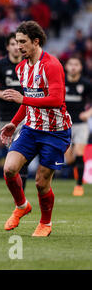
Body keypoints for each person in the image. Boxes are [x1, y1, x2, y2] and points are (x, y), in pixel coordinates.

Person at [0, 21, 72, 237]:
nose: (18, 46)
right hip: (31, 128)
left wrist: (24, 98)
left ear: (36, 41)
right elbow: (28, 101)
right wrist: (14, 123)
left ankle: (45, 223)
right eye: (16, 42)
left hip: (55, 131)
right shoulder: (21, 67)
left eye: (22, 42)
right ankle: (22, 206)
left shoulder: (51, 65)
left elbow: (56, 99)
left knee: (41, 182)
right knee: (9, 169)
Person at [0, 32, 28, 190]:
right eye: (13, 44)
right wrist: (0, 93)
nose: (16, 47)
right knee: (14, 160)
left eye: (19, 44)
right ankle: (20, 198)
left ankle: (21, 199)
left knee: (23, 157)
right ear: (8, 47)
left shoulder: (29, 64)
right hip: (7, 118)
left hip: (28, 116)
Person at [63, 57, 92, 196]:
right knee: (69, 159)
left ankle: (79, 186)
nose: (73, 67)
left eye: (76, 64)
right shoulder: (61, 82)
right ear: (66, 66)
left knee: (80, 153)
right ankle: (75, 166)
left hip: (80, 124)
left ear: (80, 67)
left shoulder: (86, 83)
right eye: (71, 64)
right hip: (64, 124)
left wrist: (88, 113)